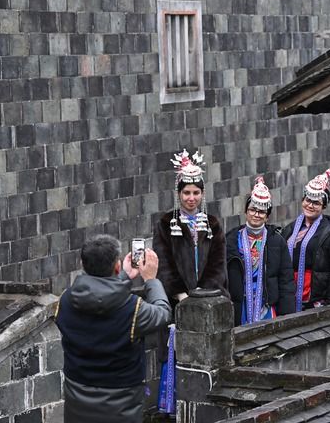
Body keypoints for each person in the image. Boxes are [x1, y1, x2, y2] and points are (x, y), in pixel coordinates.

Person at [53, 234, 171, 423]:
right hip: (121, 401)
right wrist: (151, 280)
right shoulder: (133, 308)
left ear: (82, 264)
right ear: (117, 266)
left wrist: (123, 277)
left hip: (77, 396)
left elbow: (97, 298)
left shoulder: (66, 300)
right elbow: (163, 313)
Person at [153, 149, 228, 303]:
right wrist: (180, 293)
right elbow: (164, 263)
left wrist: (203, 292)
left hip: (209, 297)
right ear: (179, 194)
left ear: (202, 194)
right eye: (187, 193)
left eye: (196, 193)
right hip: (176, 299)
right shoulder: (166, 224)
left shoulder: (213, 224)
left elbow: (218, 263)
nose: (191, 198)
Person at [226, 176, 295, 326]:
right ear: (246, 211)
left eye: (261, 211)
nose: (256, 215)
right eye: (252, 210)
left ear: (267, 216)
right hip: (240, 306)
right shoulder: (231, 239)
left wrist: (288, 315)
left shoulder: (277, 241)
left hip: (267, 305)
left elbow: (286, 279)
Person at [282, 169, 330, 310]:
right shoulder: (290, 229)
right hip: (290, 298)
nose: (310, 205)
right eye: (308, 200)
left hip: (316, 301)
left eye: (316, 202)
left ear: (324, 206)